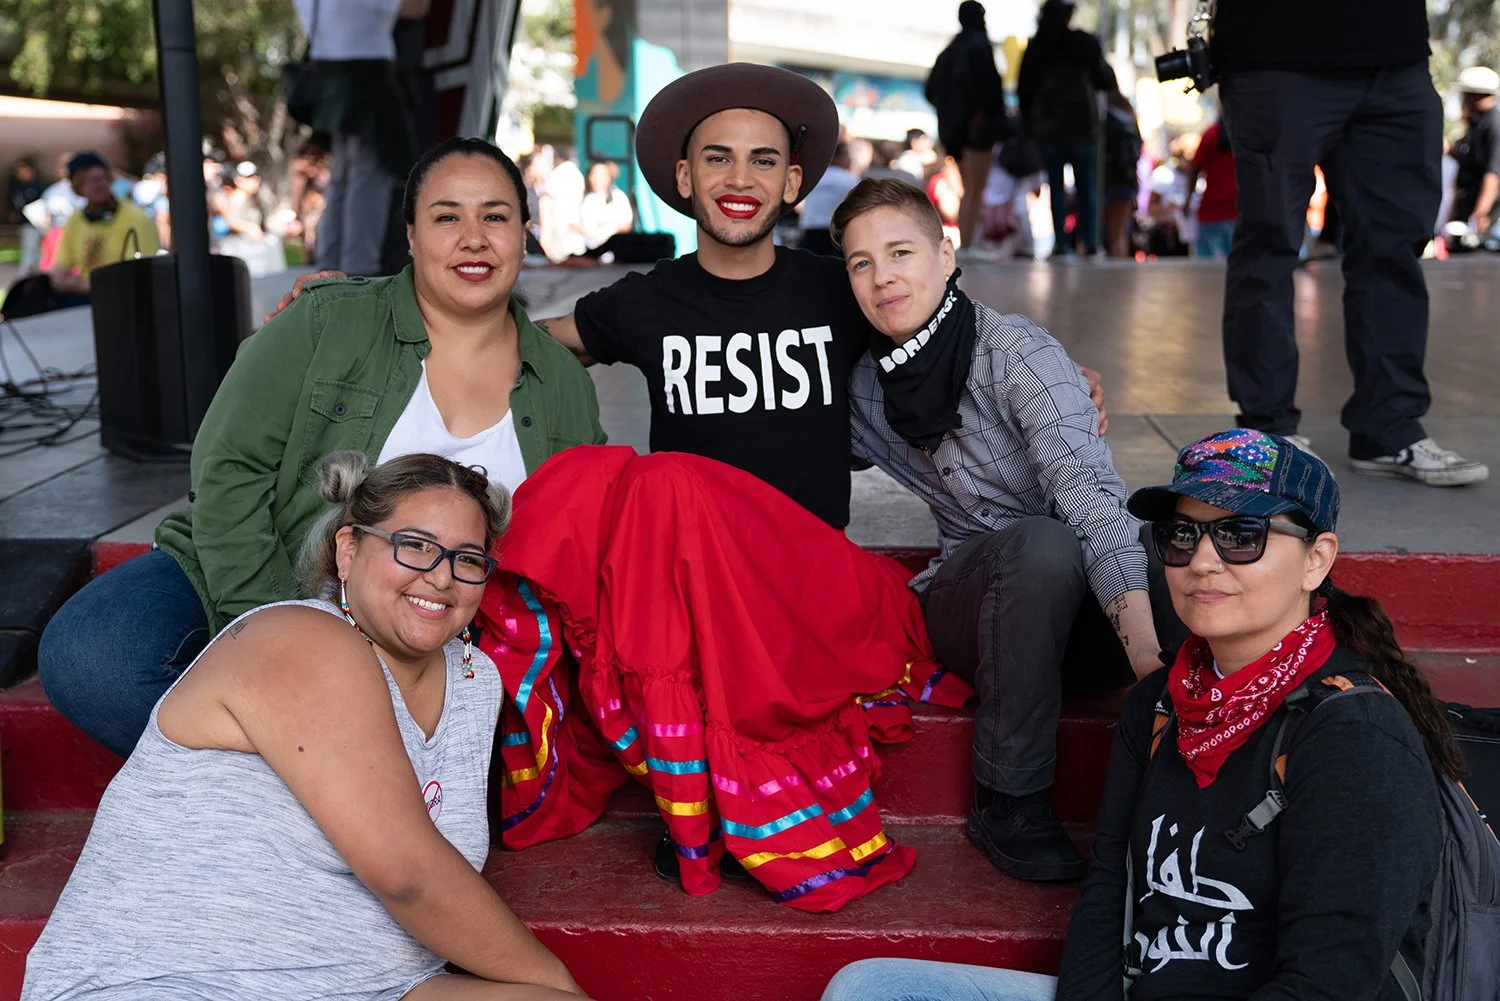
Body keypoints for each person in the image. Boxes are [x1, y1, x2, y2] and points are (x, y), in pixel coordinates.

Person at [822, 428, 1455, 1001]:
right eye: (1183, 535)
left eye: (1242, 536)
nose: (1203, 561)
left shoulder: (1354, 735)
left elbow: (1331, 983)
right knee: (871, 988)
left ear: (1316, 559)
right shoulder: (1160, 704)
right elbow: (1107, 894)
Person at [38, 137, 606, 758]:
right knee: (93, 658)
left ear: (526, 233)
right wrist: (268, 629)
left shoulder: (563, 384)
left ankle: (334, 779)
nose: (473, 238)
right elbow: (230, 469)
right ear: (411, 236)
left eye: (495, 216)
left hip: (432, 628)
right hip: (258, 572)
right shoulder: (326, 321)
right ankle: (353, 782)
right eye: (446, 216)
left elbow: (574, 542)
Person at [23, 452, 588, 1001]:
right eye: (414, 546)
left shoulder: (473, 680)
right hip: (176, 983)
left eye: (467, 559)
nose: (441, 578)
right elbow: (408, 874)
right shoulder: (297, 640)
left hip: (373, 987)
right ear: (348, 549)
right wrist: (560, 983)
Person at [832, 178, 1169, 882]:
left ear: (947, 254)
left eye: (901, 251)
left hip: (1079, 613)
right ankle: (1007, 797)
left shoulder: (1016, 354)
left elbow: (1091, 500)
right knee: (1039, 550)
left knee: (1163, 538)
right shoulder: (862, 385)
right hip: (975, 605)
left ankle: (1215, 746)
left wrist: (1151, 673)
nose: (884, 276)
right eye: (862, 263)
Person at [1213, 0, 1488, 484]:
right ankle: (1268, 429)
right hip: (1277, 48)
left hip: (1394, 54)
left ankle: (1389, 429)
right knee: (1271, 243)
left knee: (1394, 250)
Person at [294, 0, 428, 275]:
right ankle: (358, 277)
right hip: (368, 78)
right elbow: (417, 7)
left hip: (329, 77)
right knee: (366, 181)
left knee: (341, 181)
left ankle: (328, 272)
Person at [1018, 0, 1111, 258]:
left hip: (1048, 129)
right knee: (1086, 187)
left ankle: (1061, 244)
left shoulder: (1037, 47)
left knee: (1056, 188)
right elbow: (1103, 79)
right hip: (1082, 127)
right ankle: (1090, 242)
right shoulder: (1085, 43)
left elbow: (1024, 89)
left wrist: (1029, 125)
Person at [925, 0, 1009, 256]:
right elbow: (991, 91)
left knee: (968, 189)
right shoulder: (979, 47)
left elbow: (930, 90)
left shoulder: (949, 51)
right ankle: (970, 244)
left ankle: (969, 241)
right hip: (978, 130)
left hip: (954, 131)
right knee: (975, 189)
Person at [46, 152, 159, 301]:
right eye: (87, 181)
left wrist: (81, 286)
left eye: (100, 178)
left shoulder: (137, 219)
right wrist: (57, 278)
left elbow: (138, 276)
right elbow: (62, 263)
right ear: (76, 187)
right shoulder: (75, 220)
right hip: (85, 300)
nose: (97, 185)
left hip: (123, 298)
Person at [1450, 65, 1499, 239]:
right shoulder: (1476, 122)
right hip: (1467, 205)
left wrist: (1480, 213)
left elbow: (1493, 173)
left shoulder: (1494, 124)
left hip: (1483, 215)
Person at [1102, 80, 1143, 258]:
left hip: (1108, 180)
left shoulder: (1104, 116)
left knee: (1099, 232)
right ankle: (1120, 274)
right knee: (1119, 234)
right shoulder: (1129, 116)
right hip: (1127, 180)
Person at [798, 141, 861, 256]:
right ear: (840, 157)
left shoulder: (814, 177)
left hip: (810, 232)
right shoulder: (849, 179)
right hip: (837, 233)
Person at [1185, 118, 1236, 259]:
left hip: (1211, 211)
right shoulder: (1248, 136)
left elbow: (1194, 169)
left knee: (1207, 266)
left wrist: (1187, 199)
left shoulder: (1211, 134)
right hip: (1236, 211)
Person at [578, 159, 634, 251]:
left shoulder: (618, 196)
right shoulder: (584, 197)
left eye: (601, 176)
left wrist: (608, 231)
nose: (596, 179)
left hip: (610, 250)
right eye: (594, 174)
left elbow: (627, 225)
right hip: (585, 249)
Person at [7, 157, 45, 277]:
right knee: (29, 252)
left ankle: (39, 279)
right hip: (27, 225)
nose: (21, 173)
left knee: (41, 254)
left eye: (23, 170)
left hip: (41, 223)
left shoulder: (39, 185)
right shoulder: (17, 187)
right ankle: (24, 280)